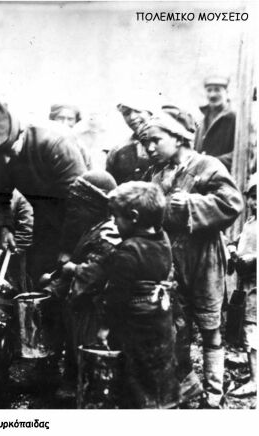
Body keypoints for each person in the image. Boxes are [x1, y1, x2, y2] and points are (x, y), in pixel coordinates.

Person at [140, 113, 244, 408]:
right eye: (146, 142)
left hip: (205, 258)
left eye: (155, 141)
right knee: (175, 325)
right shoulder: (156, 174)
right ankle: (185, 387)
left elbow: (232, 203)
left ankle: (213, 393)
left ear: (178, 137)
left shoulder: (207, 166)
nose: (149, 148)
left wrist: (189, 205)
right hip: (170, 258)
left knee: (210, 327)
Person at [0, 96, 86, 281]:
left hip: (80, 214)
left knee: (71, 275)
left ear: (21, 133)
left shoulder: (55, 143)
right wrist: (4, 227)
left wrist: (68, 248)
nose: (5, 160)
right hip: (44, 212)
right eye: (0, 155)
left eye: (10, 151)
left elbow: (79, 201)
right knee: (39, 269)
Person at [98, 181, 180, 409]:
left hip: (133, 328)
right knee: (158, 372)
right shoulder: (163, 240)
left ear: (133, 216)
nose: (113, 222)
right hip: (160, 323)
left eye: (115, 216)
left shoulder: (129, 251)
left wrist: (104, 327)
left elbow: (116, 297)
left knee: (134, 380)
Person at [43, 171, 121, 392]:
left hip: (94, 309)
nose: (73, 211)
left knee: (87, 348)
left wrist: (69, 271)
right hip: (79, 305)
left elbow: (94, 274)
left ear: (95, 205)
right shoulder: (91, 227)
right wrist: (54, 285)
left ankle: (89, 391)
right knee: (74, 343)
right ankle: (73, 382)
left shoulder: (108, 234)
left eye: (78, 206)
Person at [226, 174, 257, 397]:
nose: (255, 202)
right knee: (247, 327)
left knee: (252, 331)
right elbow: (235, 241)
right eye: (252, 198)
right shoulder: (249, 222)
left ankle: (256, 380)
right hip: (246, 284)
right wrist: (233, 249)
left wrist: (253, 258)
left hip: (256, 286)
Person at [194, 75, 236, 171]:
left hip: (226, 177)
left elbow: (244, 154)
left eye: (217, 90)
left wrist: (210, 162)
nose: (212, 95)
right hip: (203, 178)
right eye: (209, 90)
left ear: (227, 92)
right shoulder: (202, 119)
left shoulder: (235, 118)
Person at [105, 101, 152, 184]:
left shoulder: (168, 146)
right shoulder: (118, 152)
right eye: (126, 113)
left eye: (138, 111)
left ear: (150, 112)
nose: (132, 117)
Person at [49, 104, 92, 170]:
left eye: (70, 119)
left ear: (75, 121)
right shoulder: (44, 141)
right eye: (60, 118)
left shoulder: (80, 146)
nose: (65, 123)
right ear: (53, 119)